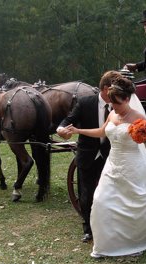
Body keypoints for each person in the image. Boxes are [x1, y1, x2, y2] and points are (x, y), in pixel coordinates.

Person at [65, 76, 146, 258]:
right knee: (101, 200)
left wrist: (145, 139)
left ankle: (134, 243)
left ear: (127, 99)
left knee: (132, 206)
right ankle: (103, 246)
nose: (114, 107)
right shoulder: (112, 114)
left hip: (132, 166)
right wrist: (78, 130)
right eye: (112, 103)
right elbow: (102, 132)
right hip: (112, 165)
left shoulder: (138, 118)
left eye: (117, 104)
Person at [56, 70, 122, 243]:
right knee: (86, 193)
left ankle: (108, 225)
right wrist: (61, 129)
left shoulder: (119, 105)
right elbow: (68, 120)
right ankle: (88, 229)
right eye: (116, 89)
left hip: (111, 155)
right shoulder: (85, 103)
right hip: (87, 155)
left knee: (109, 192)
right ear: (106, 88)